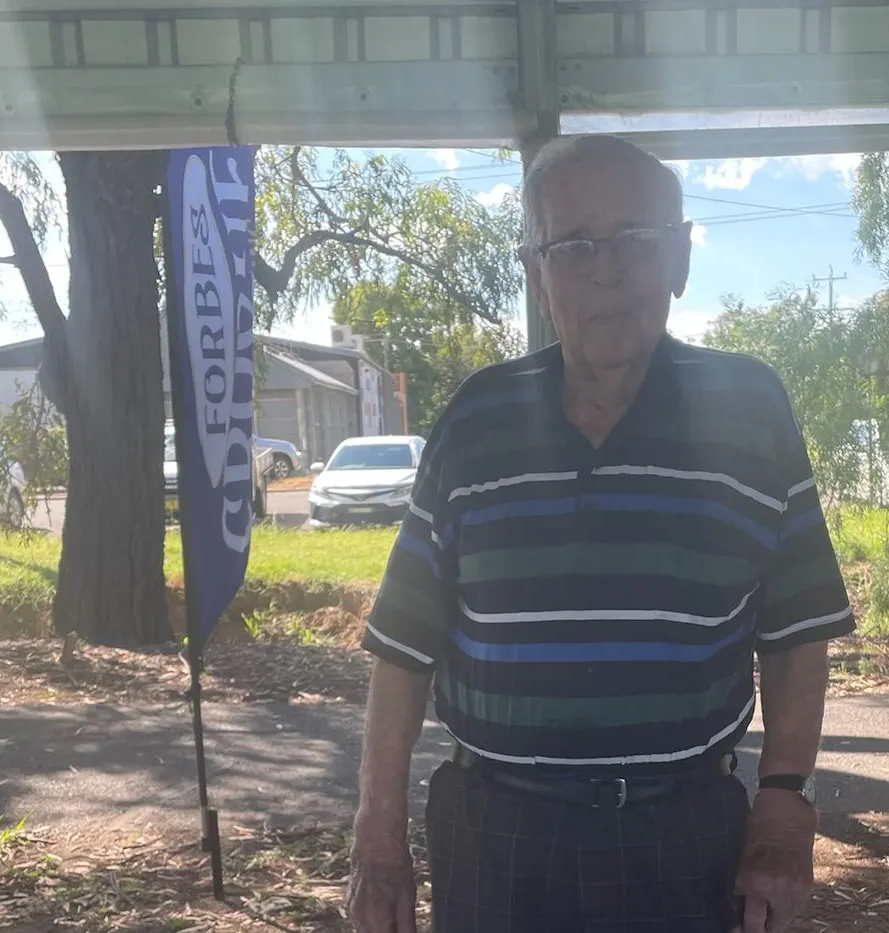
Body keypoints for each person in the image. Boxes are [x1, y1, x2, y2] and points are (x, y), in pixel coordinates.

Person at [348, 134, 856, 933]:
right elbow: (404, 645)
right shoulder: (475, 420)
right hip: (498, 837)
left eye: (636, 239)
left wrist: (786, 810)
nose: (606, 268)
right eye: (573, 243)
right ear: (536, 273)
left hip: (685, 835)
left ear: (681, 260)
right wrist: (377, 831)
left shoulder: (750, 410)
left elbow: (796, 632)